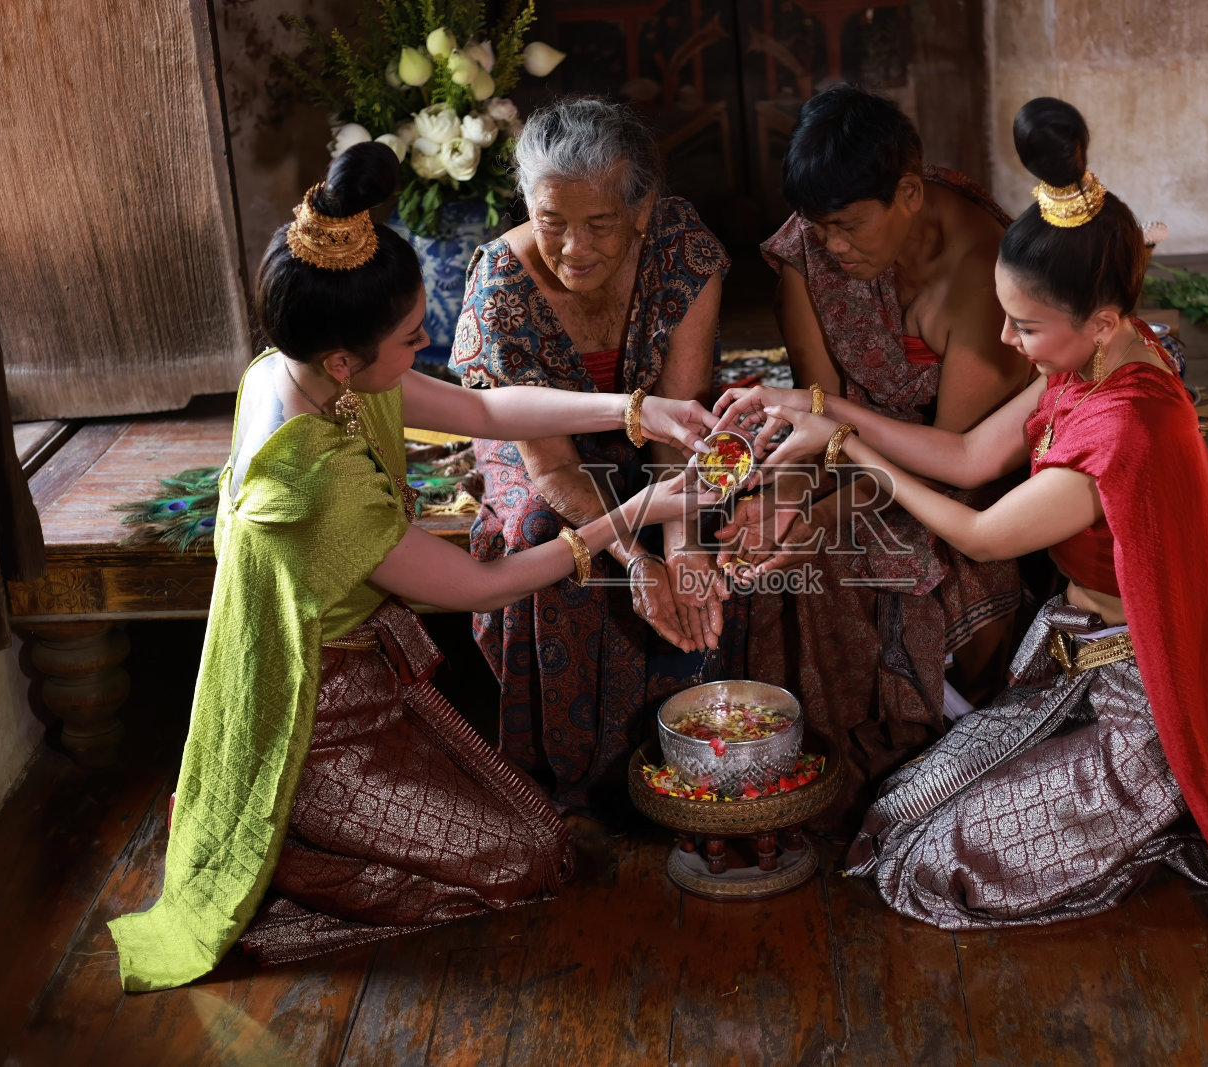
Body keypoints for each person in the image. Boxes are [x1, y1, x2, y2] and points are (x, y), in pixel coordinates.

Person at [712, 99, 1208, 934]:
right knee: (891, 819)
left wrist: (848, 448)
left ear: (1102, 320)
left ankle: (1152, 813)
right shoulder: (1092, 360)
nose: (1009, 344)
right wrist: (816, 402)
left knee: (928, 865)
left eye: (1024, 325)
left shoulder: (1121, 428)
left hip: (1140, 708)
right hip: (1074, 663)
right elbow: (972, 457)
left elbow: (976, 528)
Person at [107, 143, 715, 991]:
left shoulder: (309, 369)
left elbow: (481, 407)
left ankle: (297, 832)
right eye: (411, 336)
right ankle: (276, 856)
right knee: (529, 861)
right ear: (349, 361)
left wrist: (640, 408)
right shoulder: (320, 479)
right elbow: (483, 585)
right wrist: (644, 513)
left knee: (540, 839)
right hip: (306, 718)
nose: (428, 343)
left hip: (364, 678)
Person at [722, 84, 1045, 833]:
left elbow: (951, 462)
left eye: (847, 227)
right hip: (839, 450)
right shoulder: (808, 249)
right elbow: (816, 407)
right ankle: (814, 768)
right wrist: (790, 504)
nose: (832, 247)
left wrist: (816, 518)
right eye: (819, 227)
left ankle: (920, 766)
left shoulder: (984, 275)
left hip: (953, 472)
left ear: (907, 193)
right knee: (768, 544)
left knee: (849, 551)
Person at [451, 98, 738, 814]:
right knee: (547, 537)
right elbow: (550, 468)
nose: (573, 247)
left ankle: (707, 755)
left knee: (731, 514)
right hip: (543, 447)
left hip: (662, 426)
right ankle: (581, 780)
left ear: (642, 212)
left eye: (598, 225)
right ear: (528, 205)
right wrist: (636, 560)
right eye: (552, 223)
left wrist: (682, 543)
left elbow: (680, 436)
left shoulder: (683, 252)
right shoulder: (502, 291)